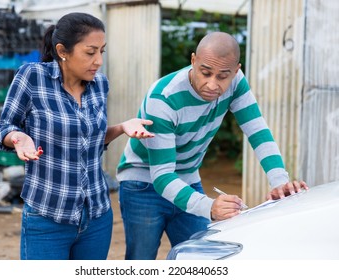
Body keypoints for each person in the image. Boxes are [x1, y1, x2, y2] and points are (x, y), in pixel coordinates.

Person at [116, 31, 309, 260]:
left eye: (222, 76)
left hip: (187, 177)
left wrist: (280, 183)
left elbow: (258, 131)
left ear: (236, 71)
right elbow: (162, 176)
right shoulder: (164, 97)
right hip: (143, 182)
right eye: (205, 73)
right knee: (141, 262)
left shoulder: (237, 83)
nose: (212, 84)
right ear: (193, 61)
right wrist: (208, 207)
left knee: (204, 258)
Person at [0, 12, 153, 260]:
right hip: (48, 218)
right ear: (62, 51)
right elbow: (3, 127)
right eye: (90, 52)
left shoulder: (100, 84)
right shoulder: (32, 77)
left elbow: (91, 143)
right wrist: (18, 138)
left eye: (102, 51)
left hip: (96, 217)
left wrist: (122, 127)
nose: (98, 60)